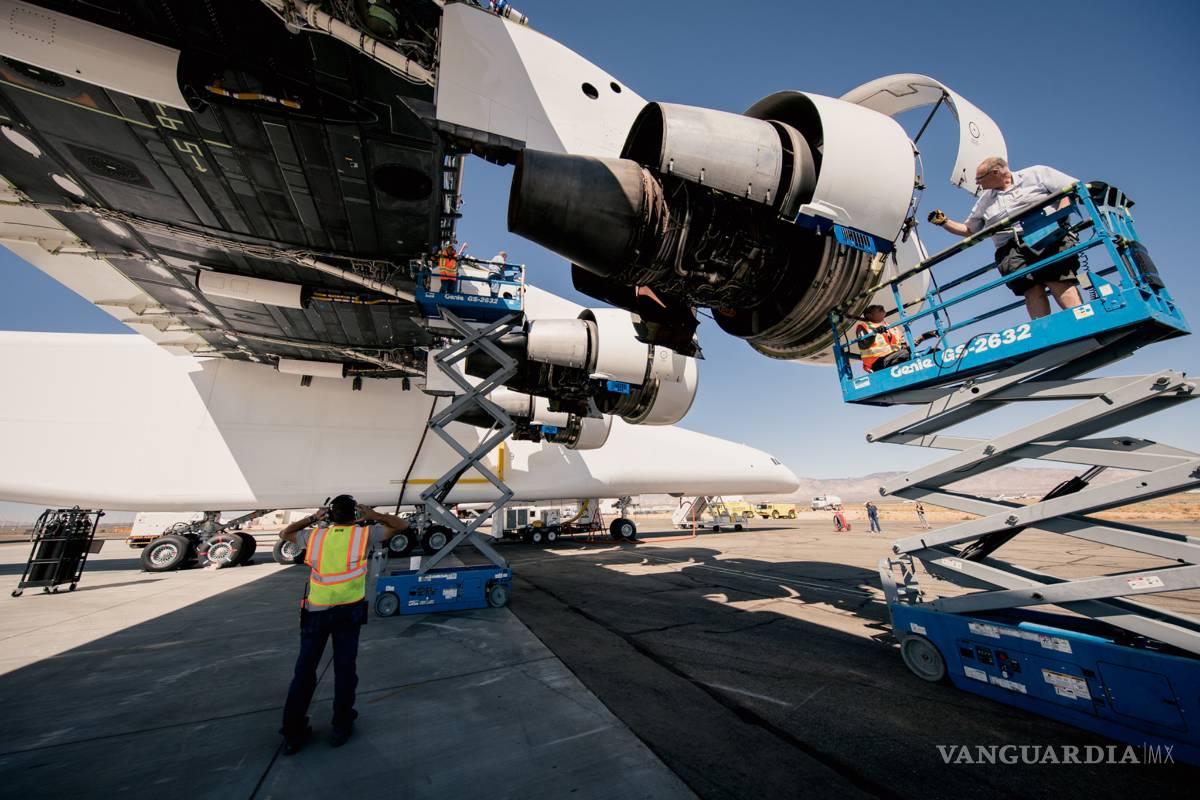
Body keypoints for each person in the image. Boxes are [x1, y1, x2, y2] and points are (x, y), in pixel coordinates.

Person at [278, 495, 409, 754]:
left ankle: (293, 732)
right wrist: (374, 515)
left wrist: (314, 517)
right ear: (355, 514)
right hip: (348, 612)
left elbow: (285, 532)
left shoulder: (314, 536)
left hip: (316, 612)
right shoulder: (364, 535)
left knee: (304, 673)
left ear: (330, 515)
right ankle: (341, 725)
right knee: (345, 670)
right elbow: (401, 527)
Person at [927, 157, 1083, 320]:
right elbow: (969, 230)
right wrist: (944, 222)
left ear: (995, 172)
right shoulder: (985, 200)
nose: (978, 183)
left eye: (979, 179)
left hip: (1045, 235)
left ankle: (1083, 320)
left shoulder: (1036, 174)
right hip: (1010, 250)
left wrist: (1057, 218)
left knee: (1058, 280)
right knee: (1030, 289)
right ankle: (1044, 331)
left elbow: (1071, 189)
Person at [855, 304, 937, 373]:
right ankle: (918, 357)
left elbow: (904, 346)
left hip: (896, 357)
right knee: (905, 353)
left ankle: (919, 357)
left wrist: (923, 337)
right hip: (878, 363)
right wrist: (874, 333)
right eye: (877, 310)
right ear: (869, 315)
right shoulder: (864, 326)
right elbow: (864, 344)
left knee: (934, 352)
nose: (881, 310)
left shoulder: (893, 328)